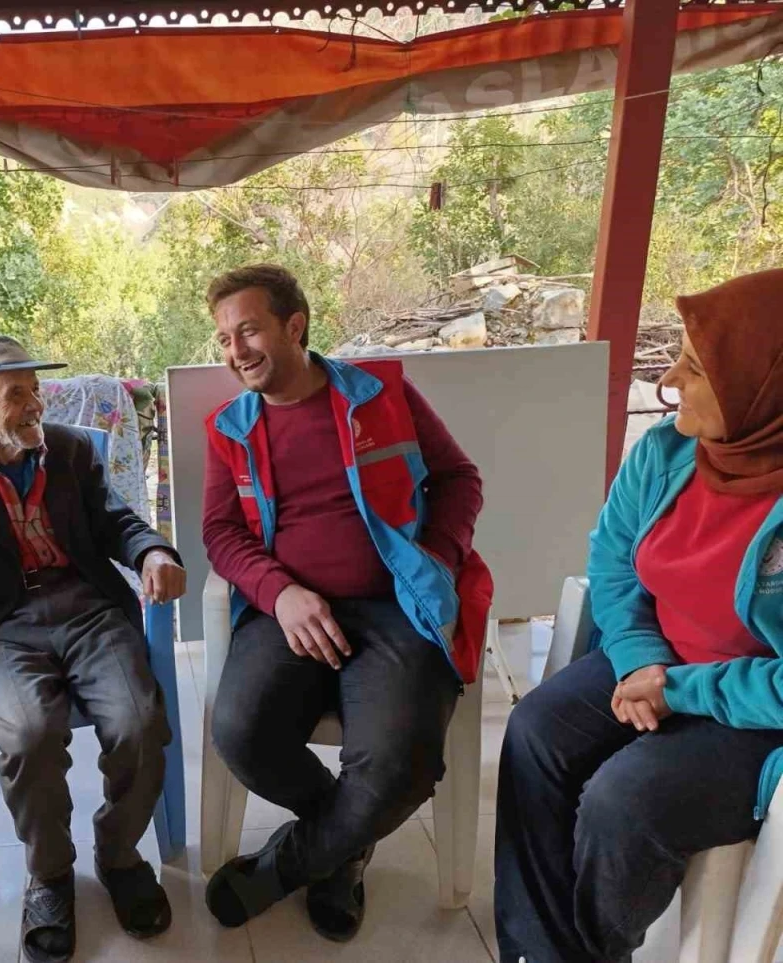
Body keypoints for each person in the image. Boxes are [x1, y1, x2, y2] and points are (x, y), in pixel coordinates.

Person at [495, 269, 783, 963]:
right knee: (534, 733)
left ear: (763, 388)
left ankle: (592, 949)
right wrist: (641, 659)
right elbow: (614, 563)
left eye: (696, 367)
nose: (669, 381)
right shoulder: (666, 452)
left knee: (623, 801)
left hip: (754, 710)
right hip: (655, 655)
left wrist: (676, 689)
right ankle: (542, 950)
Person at [200, 264, 489, 941]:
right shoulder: (228, 428)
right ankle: (345, 840)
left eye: (248, 330)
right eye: (224, 339)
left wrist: (434, 557)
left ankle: (293, 863)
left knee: (398, 764)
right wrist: (281, 593)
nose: (235, 351)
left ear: (294, 325)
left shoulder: (380, 394)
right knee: (241, 731)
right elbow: (220, 532)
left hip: (396, 606)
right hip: (289, 614)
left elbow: (458, 478)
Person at [0, 336, 186, 963]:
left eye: (35, 389)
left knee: (139, 723)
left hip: (88, 612)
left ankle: (118, 854)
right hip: (0, 628)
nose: (33, 404)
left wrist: (152, 551)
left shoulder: (71, 450)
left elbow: (115, 520)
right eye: (14, 394)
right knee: (30, 734)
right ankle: (51, 875)